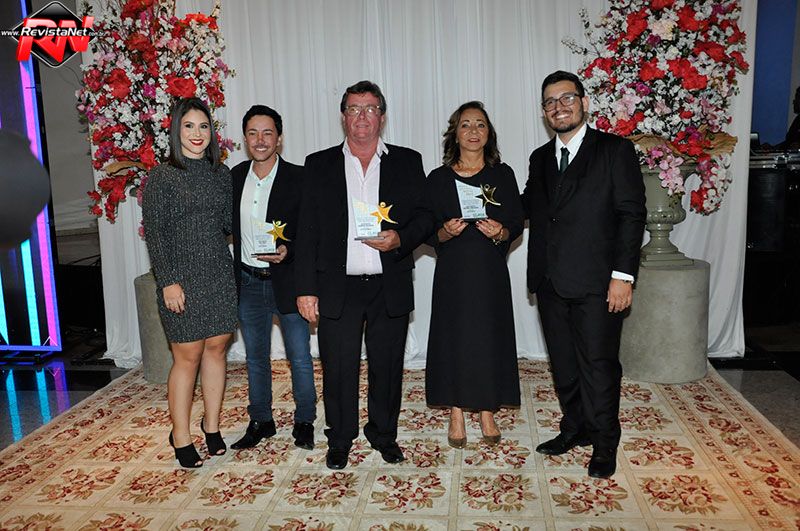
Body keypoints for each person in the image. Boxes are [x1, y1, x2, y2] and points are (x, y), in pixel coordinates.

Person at [295, 80, 434, 470]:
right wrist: (305, 289)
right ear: (343, 116)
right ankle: (340, 438)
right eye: (354, 108)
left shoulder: (407, 161)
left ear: (382, 117)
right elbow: (306, 231)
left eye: (370, 108)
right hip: (337, 285)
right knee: (338, 367)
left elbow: (426, 217)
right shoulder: (319, 164)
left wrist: (400, 239)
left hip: (388, 283)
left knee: (387, 367)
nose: (362, 116)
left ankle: (384, 434)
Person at [521, 71, 646, 478]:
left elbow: (631, 215)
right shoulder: (540, 158)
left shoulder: (614, 150)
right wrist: (481, 203)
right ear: (544, 112)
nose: (558, 107)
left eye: (566, 98)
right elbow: (528, 205)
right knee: (564, 365)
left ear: (584, 103)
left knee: (598, 365)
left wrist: (623, 276)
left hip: (598, 282)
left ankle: (605, 441)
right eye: (550, 102)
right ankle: (575, 428)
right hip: (550, 281)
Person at [142, 97, 237, 468]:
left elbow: (228, 224)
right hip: (179, 277)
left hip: (218, 272)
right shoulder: (162, 176)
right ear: (176, 130)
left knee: (216, 348)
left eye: (203, 126)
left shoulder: (221, 174)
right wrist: (167, 281)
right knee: (188, 355)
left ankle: (211, 426)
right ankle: (180, 434)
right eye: (189, 126)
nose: (197, 134)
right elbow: (155, 234)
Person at [425, 101, 523, 448]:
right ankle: (455, 410)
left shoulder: (503, 174)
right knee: (454, 337)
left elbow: (515, 222)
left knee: (487, 337)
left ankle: (486, 409)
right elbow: (425, 228)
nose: (473, 131)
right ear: (455, 133)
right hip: (453, 272)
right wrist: (444, 232)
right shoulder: (438, 179)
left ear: (488, 133)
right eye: (465, 124)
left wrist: (500, 232)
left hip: (489, 271)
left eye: (480, 124)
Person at [229, 105, 316, 451]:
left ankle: (305, 420)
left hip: (289, 280)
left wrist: (287, 250)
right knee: (255, 358)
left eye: (268, 133)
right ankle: (261, 420)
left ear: (279, 138)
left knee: (300, 357)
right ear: (245, 138)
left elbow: (310, 232)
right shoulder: (235, 177)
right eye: (253, 133)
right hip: (248, 281)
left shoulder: (299, 177)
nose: (260, 140)